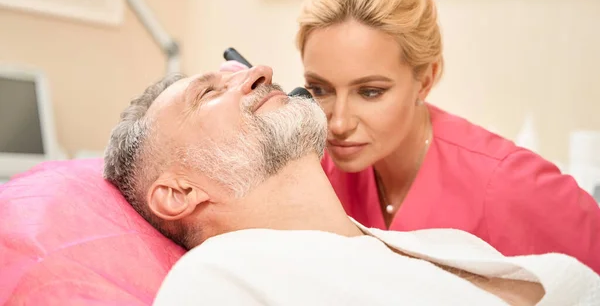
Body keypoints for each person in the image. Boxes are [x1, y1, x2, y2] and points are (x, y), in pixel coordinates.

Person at [103, 67, 599, 306]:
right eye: (210, 92)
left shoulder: (434, 245)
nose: (260, 71)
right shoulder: (215, 281)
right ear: (179, 192)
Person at [220, 0, 600, 273]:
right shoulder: (316, 169)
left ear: (426, 79)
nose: (338, 124)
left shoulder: (511, 185)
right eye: (320, 89)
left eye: (370, 92)